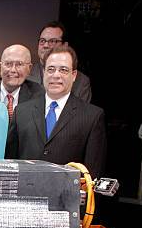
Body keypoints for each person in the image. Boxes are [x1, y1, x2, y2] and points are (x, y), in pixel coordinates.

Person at [6, 45, 106, 179]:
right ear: (44, 72)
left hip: (67, 198)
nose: (56, 75)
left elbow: (92, 175)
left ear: (74, 75)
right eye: (51, 69)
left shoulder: (92, 116)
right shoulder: (22, 112)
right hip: (27, 196)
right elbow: (10, 163)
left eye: (63, 70)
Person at [27, 21, 92, 103]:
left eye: (53, 41)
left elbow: (81, 114)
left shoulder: (81, 82)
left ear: (65, 45)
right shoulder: (26, 73)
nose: (46, 45)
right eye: (42, 41)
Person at [0, 44, 43, 120]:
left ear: (29, 68)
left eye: (19, 64)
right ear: (1, 66)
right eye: (8, 64)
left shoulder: (40, 96)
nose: (13, 70)